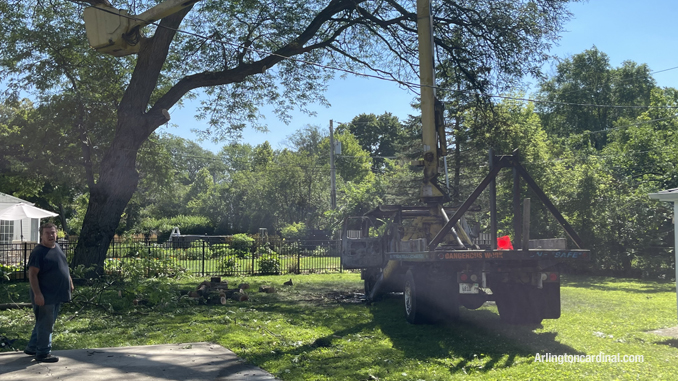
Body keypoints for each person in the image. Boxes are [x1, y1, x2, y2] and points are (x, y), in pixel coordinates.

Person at [24, 223, 73, 363]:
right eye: (48, 233)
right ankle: (43, 353)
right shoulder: (38, 252)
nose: (51, 235)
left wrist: (69, 281)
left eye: (53, 233)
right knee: (46, 323)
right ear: (41, 235)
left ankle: (32, 347)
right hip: (45, 295)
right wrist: (37, 294)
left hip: (57, 293)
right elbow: (32, 275)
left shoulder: (57, 247)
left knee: (44, 322)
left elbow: (63, 265)